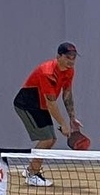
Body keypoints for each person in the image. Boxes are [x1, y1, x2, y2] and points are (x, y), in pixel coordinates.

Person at [13, 42, 82, 187]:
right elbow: (51, 103)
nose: (71, 60)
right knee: (47, 138)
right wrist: (62, 124)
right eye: (68, 56)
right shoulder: (48, 72)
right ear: (59, 56)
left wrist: (71, 118)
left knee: (50, 140)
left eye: (74, 57)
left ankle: (31, 168)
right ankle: (32, 175)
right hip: (27, 105)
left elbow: (67, 94)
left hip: (40, 106)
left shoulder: (69, 71)